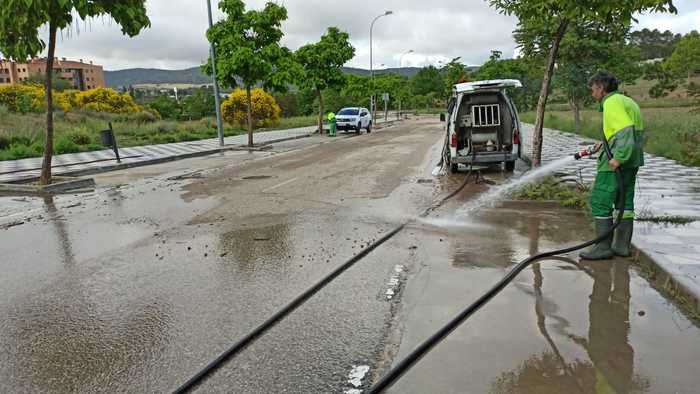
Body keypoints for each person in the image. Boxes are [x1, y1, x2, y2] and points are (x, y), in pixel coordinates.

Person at [580, 71, 644, 260]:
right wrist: (605, 142)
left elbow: (625, 130)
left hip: (616, 164)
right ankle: (621, 246)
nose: (592, 94)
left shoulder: (611, 102)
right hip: (633, 161)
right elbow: (627, 130)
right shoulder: (627, 101)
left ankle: (602, 247)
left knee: (601, 201)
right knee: (624, 203)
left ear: (601, 88)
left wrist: (618, 157)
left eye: (593, 90)